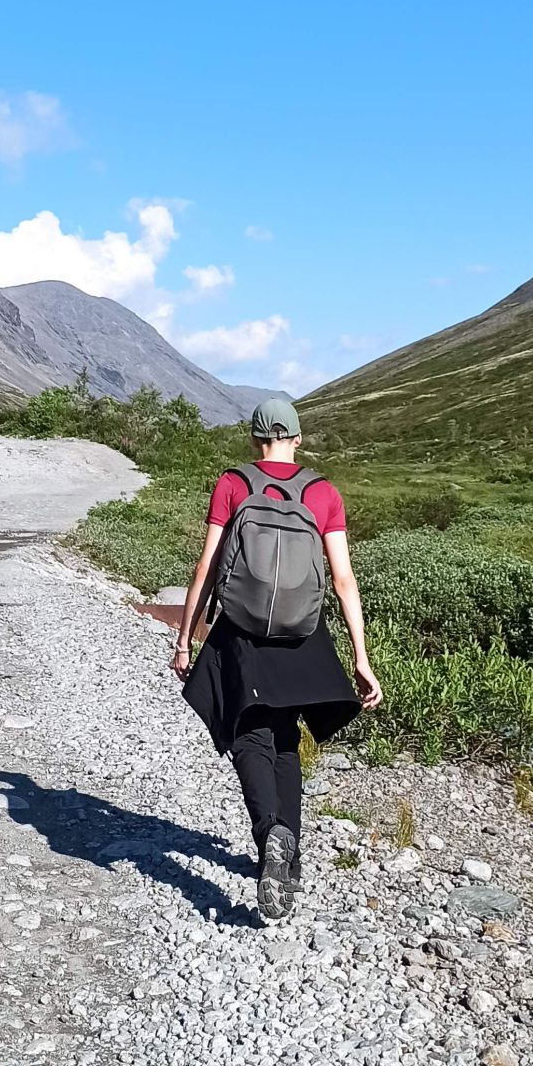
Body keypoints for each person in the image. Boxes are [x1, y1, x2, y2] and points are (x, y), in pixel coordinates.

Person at [173, 393, 380, 921]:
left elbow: (206, 567)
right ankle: (291, 864)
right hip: (303, 631)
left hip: (240, 630)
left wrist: (184, 638)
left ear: (254, 437)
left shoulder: (234, 484)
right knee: (286, 738)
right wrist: (360, 655)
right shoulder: (323, 492)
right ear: (297, 438)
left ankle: (271, 834)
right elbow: (343, 580)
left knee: (249, 733)